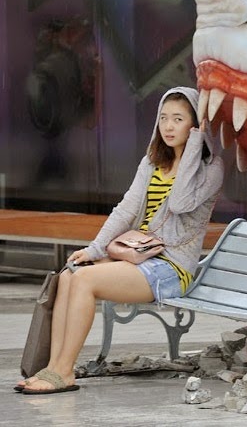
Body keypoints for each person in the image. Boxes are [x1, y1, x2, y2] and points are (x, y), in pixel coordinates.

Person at [16, 86, 224, 394]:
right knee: (70, 276)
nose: (168, 126)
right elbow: (125, 209)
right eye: (163, 118)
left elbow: (180, 203)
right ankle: (53, 368)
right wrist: (94, 249)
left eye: (178, 119)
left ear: (196, 125)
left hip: (173, 267)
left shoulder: (211, 168)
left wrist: (195, 144)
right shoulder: (152, 162)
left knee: (84, 281)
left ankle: (65, 371)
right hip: (139, 255)